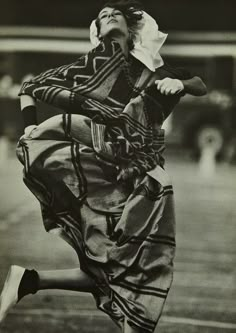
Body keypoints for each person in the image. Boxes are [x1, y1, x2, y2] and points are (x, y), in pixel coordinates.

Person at [0, 1, 207, 332]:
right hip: (103, 176)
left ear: (131, 28)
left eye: (115, 14)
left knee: (110, 270)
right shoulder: (87, 68)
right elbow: (30, 88)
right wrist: (29, 127)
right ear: (97, 29)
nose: (108, 17)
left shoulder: (153, 73)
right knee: (126, 268)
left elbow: (198, 83)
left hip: (142, 181)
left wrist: (182, 85)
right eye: (102, 16)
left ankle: (29, 280)